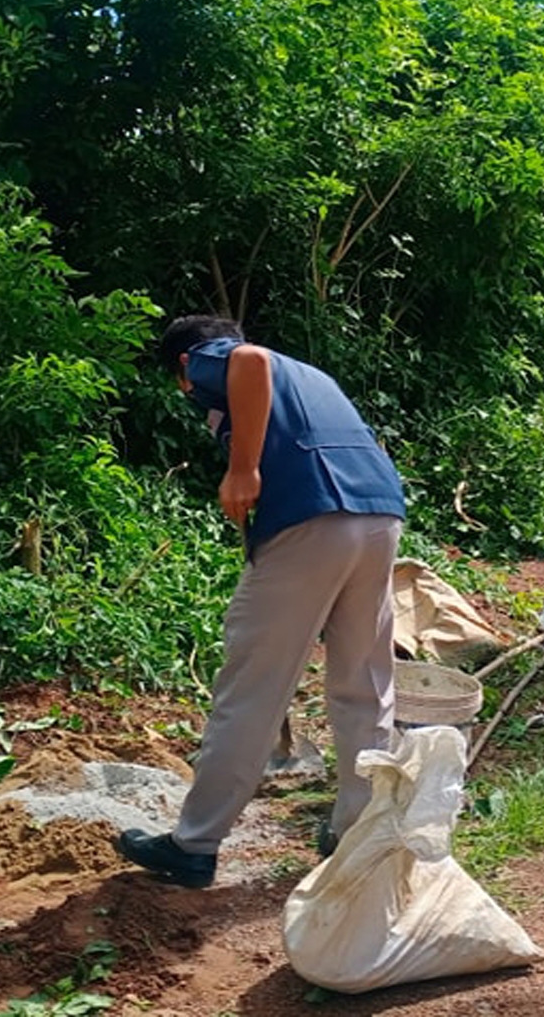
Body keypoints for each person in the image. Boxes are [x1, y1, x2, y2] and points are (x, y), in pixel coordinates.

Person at [115, 315, 406, 886]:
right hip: (379, 514)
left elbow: (248, 363)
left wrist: (242, 468)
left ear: (183, 366)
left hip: (312, 518)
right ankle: (358, 831)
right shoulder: (313, 375)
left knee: (252, 685)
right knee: (364, 682)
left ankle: (194, 844)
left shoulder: (214, 358)